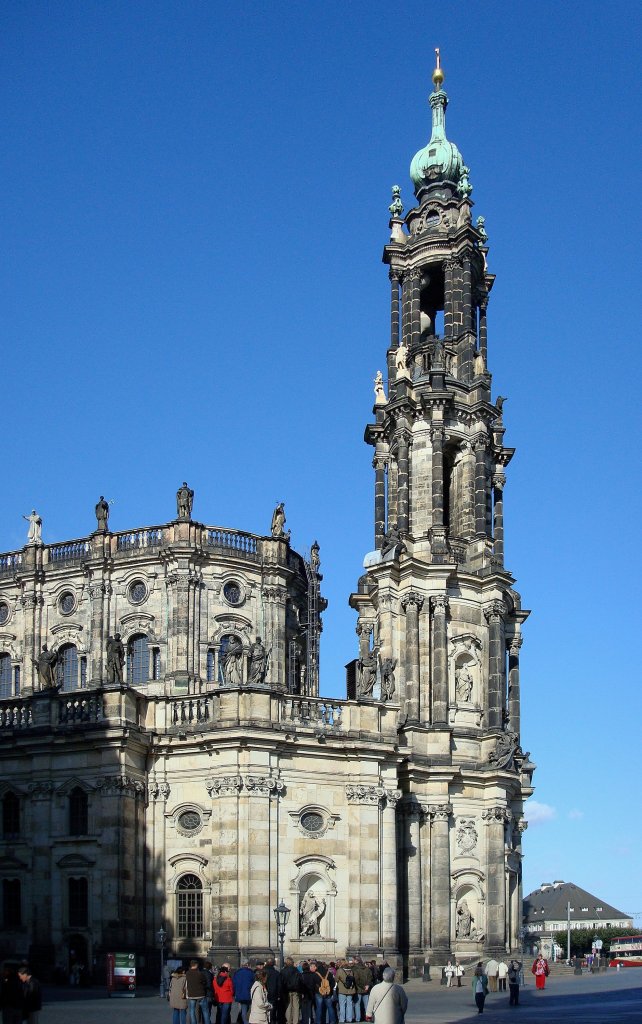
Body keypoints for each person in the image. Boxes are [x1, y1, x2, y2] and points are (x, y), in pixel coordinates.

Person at [281, 957, 303, 1024]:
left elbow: (281, 981)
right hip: (296, 990)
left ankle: (289, 1021)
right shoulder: (296, 970)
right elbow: (300, 980)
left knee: (288, 1006)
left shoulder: (283, 971)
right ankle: (295, 1021)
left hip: (287, 990)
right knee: (296, 1006)